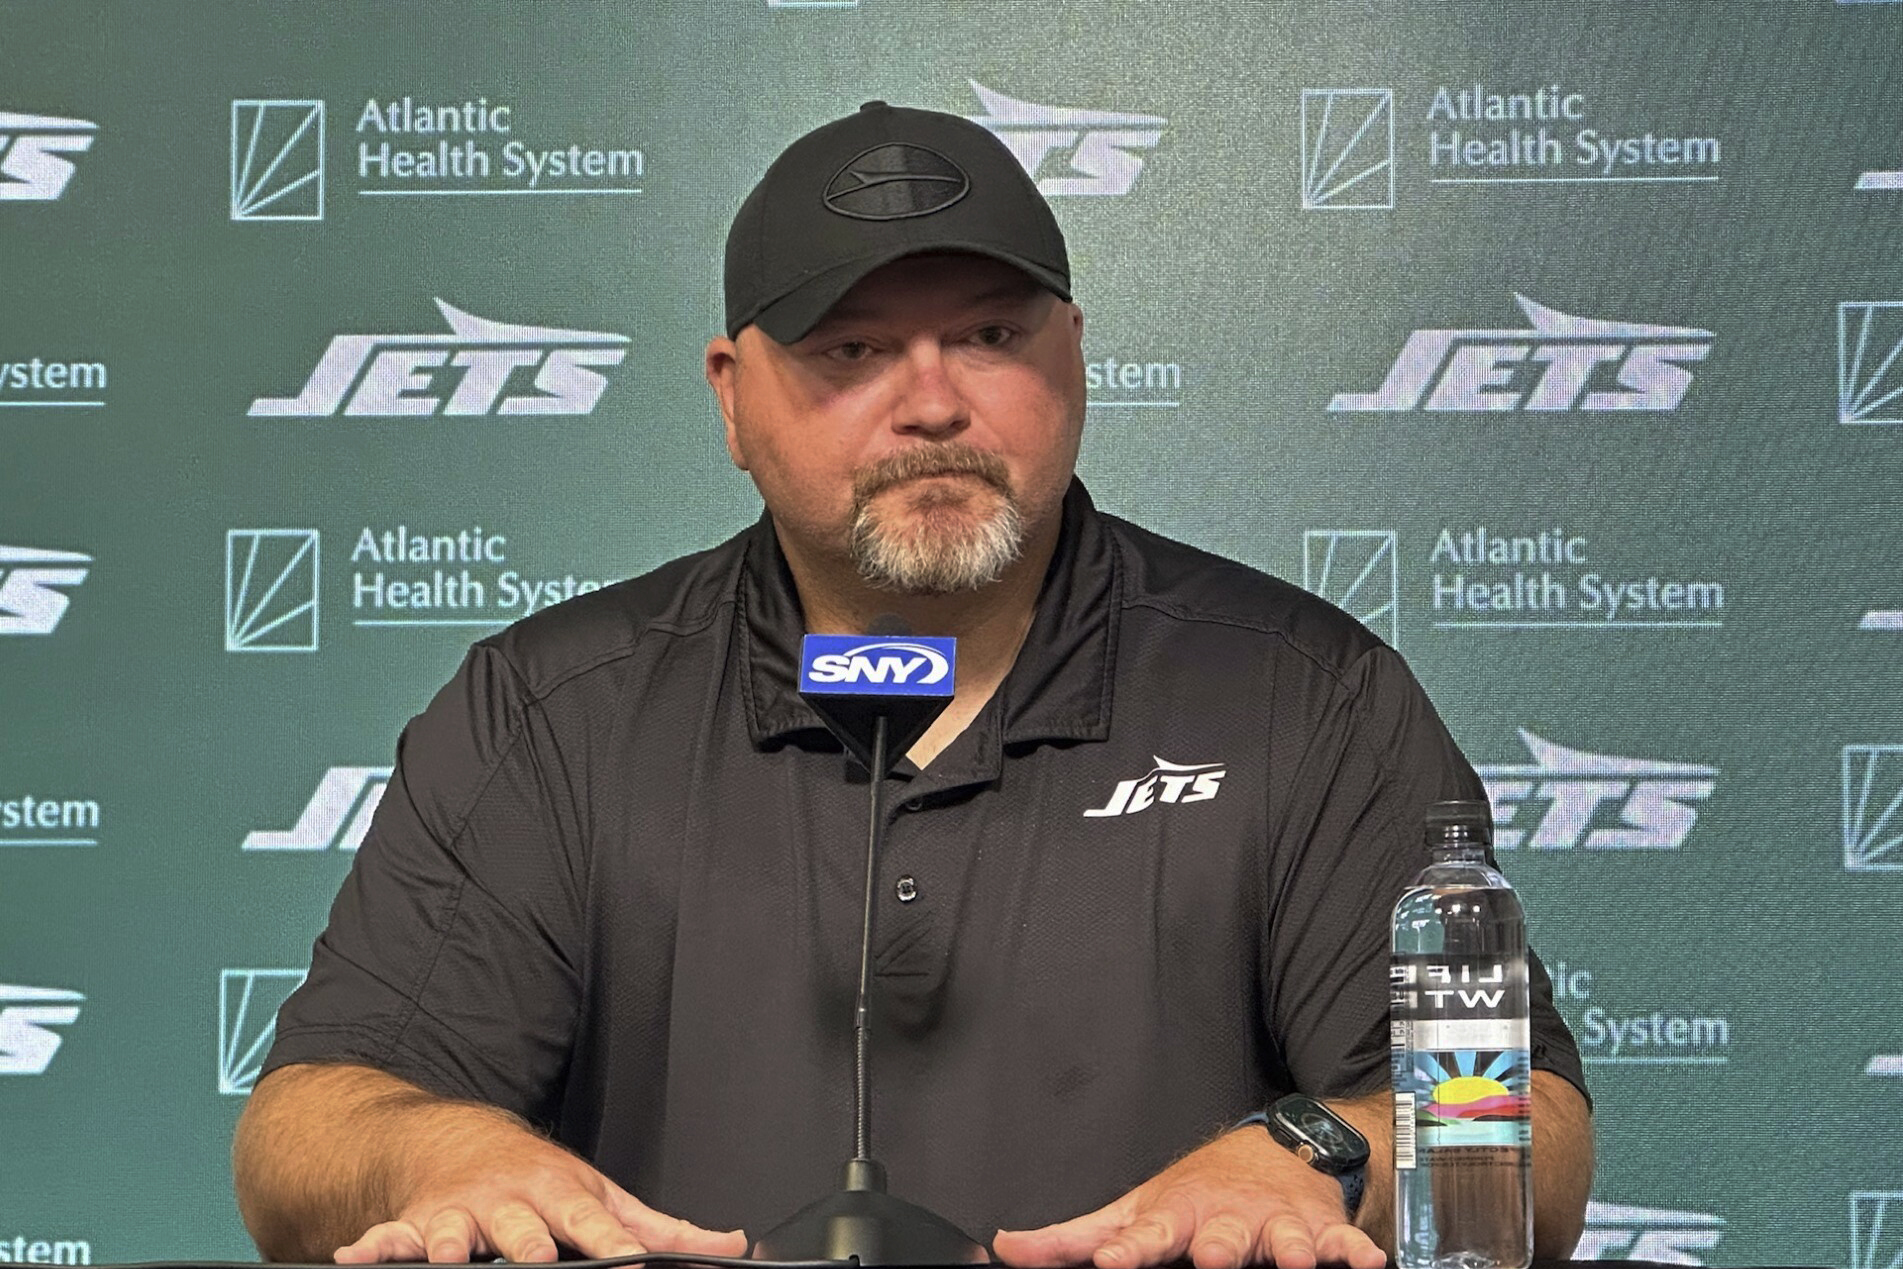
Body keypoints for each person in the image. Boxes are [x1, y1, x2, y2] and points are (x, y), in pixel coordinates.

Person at [233, 102, 1594, 1269]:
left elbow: (1531, 1128)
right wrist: (443, 1149)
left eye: (992, 336)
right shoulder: (555, 712)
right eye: (852, 351)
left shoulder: (1309, 695)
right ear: (729, 396)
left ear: (1074, 355)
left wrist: (1301, 1153)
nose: (933, 403)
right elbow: (301, 1131)